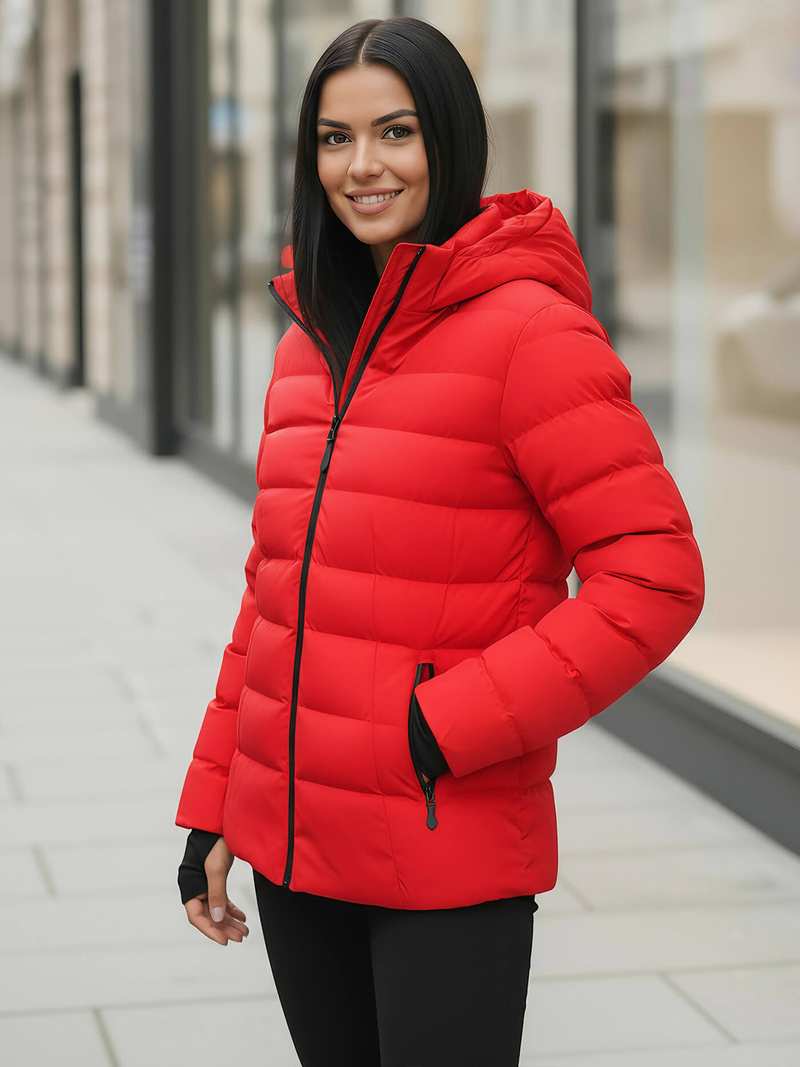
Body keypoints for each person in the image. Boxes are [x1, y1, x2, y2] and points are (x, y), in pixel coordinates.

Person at [175, 15, 705, 1067]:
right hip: (293, 846)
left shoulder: (529, 333)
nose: (361, 165)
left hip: (440, 839)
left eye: (394, 132)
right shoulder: (305, 342)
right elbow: (273, 595)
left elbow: (653, 575)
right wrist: (215, 802)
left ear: (449, 141)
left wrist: (438, 726)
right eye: (333, 138)